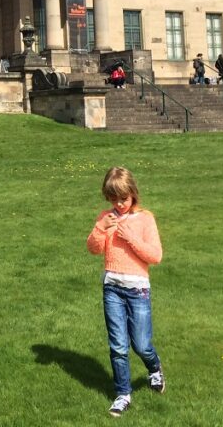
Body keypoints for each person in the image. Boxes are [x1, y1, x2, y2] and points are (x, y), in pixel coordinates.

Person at [86, 167, 166, 417]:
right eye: (113, 199)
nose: (119, 204)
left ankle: (154, 369)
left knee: (141, 344)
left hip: (138, 290)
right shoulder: (106, 218)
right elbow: (93, 249)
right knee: (118, 346)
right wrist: (101, 227)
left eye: (124, 198)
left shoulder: (145, 219)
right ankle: (123, 393)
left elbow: (155, 256)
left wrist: (130, 237)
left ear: (133, 193)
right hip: (112, 289)